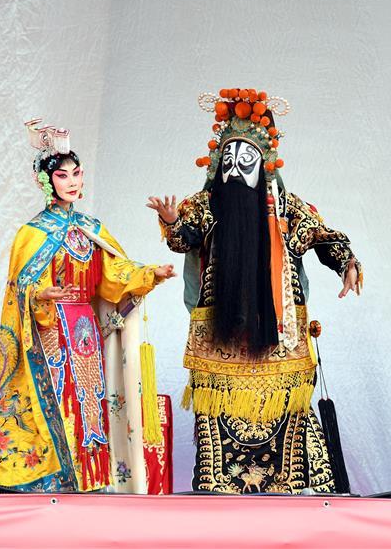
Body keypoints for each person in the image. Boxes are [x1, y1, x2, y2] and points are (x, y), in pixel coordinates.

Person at [147, 88, 362, 494]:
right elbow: (185, 238)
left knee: (288, 416)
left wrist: (347, 263)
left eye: (245, 161)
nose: (235, 170)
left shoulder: (285, 207)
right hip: (219, 333)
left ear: (263, 164)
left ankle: (291, 487)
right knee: (216, 417)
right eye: (228, 160)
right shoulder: (206, 204)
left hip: (278, 333)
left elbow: (323, 236)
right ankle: (220, 487)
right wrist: (173, 222)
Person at [0, 120, 176, 492]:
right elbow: (19, 285)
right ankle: (57, 480)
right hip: (51, 330)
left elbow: (112, 272)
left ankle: (93, 481)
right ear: (47, 181)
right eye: (62, 175)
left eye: (77, 173)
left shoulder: (92, 228)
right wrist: (40, 295)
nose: (72, 181)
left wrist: (149, 272)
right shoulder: (33, 233)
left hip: (86, 328)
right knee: (60, 403)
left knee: (93, 403)